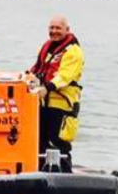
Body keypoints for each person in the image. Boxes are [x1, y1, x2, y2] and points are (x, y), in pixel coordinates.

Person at [28, 15, 84, 170]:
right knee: (39, 142)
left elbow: (64, 76)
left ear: (67, 29)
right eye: (51, 28)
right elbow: (37, 68)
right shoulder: (47, 47)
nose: (54, 31)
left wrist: (48, 88)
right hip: (43, 103)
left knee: (58, 143)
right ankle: (38, 170)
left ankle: (65, 175)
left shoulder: (73, 52)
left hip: (62, 105)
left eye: (58, 28)